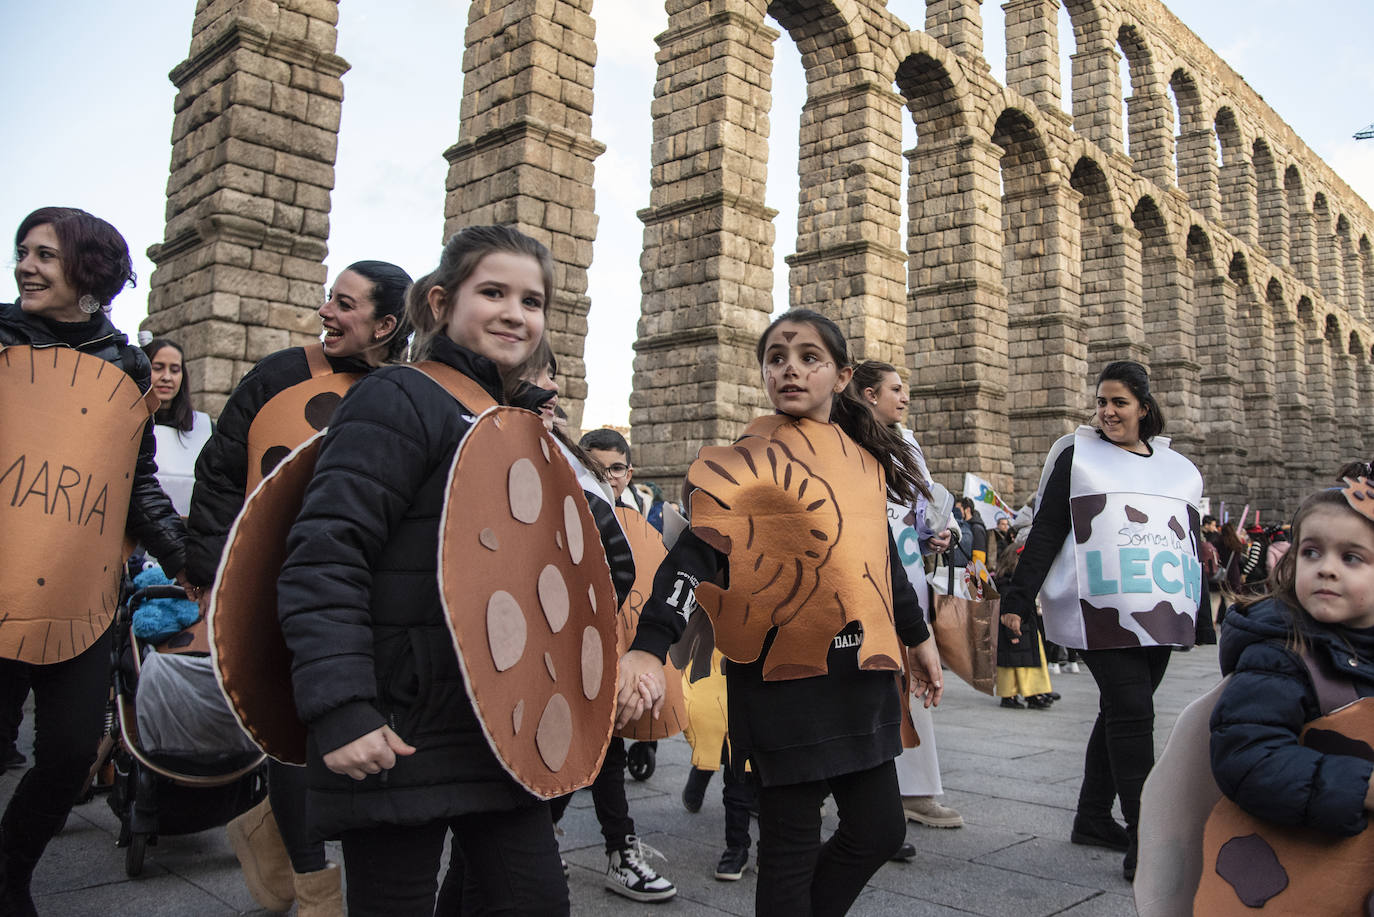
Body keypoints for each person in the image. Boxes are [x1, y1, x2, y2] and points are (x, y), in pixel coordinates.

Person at [276, 225, 570, 916]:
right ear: (440, 302)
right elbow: (326, 550)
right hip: (396, 720)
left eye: (531, 300)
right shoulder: (398, 398)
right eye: (492, 291)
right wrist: (342, 709)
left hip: (496, 720)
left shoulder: (514, 424)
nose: (513, 312)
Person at [616, 309, 945, 916]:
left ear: (842, 375)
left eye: (808, 357)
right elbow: (693, 558)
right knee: (791, 847)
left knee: (880, 830)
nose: (789, 369)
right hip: (783, 683)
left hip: (861, 677)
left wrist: (917, 636)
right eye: (776, 358)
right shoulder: (747, 459)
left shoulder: (865, 459)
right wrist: (649, 643)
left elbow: (880, 561)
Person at [178, 259, 412, 915]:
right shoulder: (278, 374)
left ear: (386, 323)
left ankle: (263, 828)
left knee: (349, 740)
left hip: (365, 594)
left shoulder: (408, 390)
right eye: (327, 299)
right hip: (277, 586)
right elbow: (221, 471)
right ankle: (316, 890)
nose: (327, 313)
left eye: (345, 303)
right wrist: (214, 571)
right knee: (296, 732)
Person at [0, 207, 188, 914]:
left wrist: (182, 556)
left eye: (45, 254)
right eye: (23, 251)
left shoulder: (127, 363)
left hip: (79, 591)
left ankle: (10, 870)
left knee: (72, 750)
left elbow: (132, 476)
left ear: (89, 271)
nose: (25, 265)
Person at [1000, 360, 1206, 881]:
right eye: (1101, 402)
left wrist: (1198, 612)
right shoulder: (1077, 453)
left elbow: (1187, 543)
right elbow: (1047, 527)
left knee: (1122, 709)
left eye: (1118, 402)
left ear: (1144, 407)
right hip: (1098, 608)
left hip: (1157, 609)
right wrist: (1017, 600)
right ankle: (1146, 837)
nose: (1107, 412)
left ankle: (1092, 817)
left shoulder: (1174, 465)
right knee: (1133, 711)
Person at [1207, 485, 1374, 892]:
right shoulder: (1279, 653)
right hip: (1300, 877)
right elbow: (1247, 757)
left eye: (1351, 557)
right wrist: (1362, 787)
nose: (1326, 568)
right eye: (1311, 552)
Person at [851, 360, 963, 832]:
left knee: (913, 680)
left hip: (909, 574)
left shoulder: (908, 441)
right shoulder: (843, 437)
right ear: (870, 394)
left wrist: (946, 533)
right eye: (896, 389)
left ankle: (915, 791)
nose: (905, 397)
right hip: (859, 574)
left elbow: (927, 505)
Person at [141, 337, 212, 516]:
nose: (166, 377)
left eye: (174, 370)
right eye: (157, 368)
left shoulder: (204, 427)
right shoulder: (126, 424)